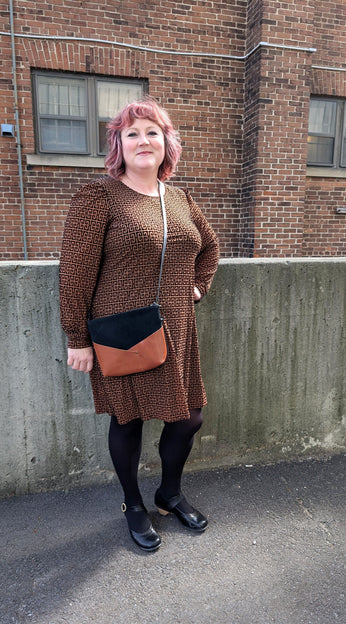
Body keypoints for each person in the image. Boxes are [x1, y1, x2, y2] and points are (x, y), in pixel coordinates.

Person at [59, 97, 219, 552]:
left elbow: (209, 248)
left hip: (178, 330)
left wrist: (198, 287)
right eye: (132, 133)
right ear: (119, 146)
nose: (143, 140)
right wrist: (77, 338)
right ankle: (133, 504)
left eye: (152, 131)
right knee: (128, 421)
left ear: (167, 143)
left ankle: (169, 493)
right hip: (124, 331)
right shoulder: (99, 197)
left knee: (189, 418)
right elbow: (74, 273)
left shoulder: (181, 198)